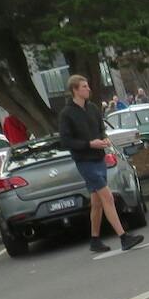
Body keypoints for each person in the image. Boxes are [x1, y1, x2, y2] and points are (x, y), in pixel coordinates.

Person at [59, 74, 141, 254]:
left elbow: (100, 128)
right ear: (75, 90)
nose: (88, 89)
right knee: (108, 197)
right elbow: (65, 141)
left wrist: (103, 139)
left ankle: (95, 240)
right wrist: (88, 144)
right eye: (84, 87)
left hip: (98, 158)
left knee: (96, 203)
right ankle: (123, 237)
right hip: (85, 162)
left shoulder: (93, 108)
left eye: (87, 86)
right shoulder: (67, 114)